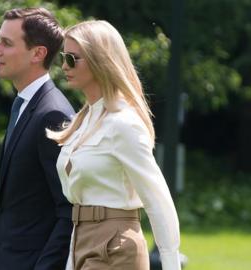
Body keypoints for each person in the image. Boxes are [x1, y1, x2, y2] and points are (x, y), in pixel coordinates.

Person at [47, 20, 181, 270]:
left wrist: (170, 263)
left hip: (115, 246)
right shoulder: (83, 120)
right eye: (64, 57)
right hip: (82, 238)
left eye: (73, 59)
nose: (65, 66)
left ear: (100, 60)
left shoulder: (123, 123)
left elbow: (157, 199)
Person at [0, 7, 75, 270]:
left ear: (38, 53)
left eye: (6, 43)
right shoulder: (24, 103)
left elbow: (68, 210)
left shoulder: (53, 114)